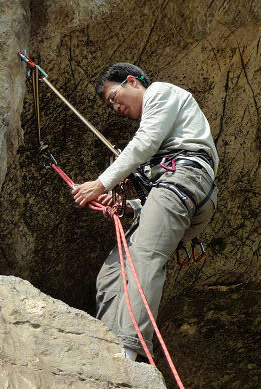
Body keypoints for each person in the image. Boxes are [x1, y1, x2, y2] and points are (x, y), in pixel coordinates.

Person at [72, 62, 218, 362]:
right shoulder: (160, 126)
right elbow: (157, 197)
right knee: (111, 275)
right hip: (172, 192)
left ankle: (130, 349)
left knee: (145, 259)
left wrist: (100, 184)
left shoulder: (161, 93)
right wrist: (128, 206)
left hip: (184, 180)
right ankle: (110, 345)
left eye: (114, 97)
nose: (115, 108)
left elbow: (145, 143)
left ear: (131, 81)